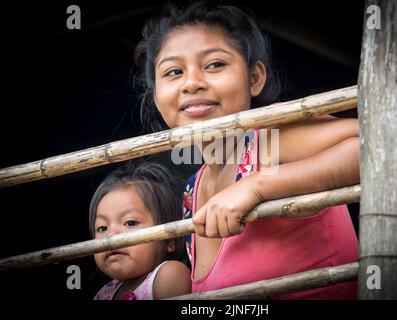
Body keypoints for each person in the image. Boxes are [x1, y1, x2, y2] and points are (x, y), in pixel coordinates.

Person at [134, 2, 359, 299]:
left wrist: (258, 187)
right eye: (174, 72)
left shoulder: (270, 136)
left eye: (215, 64)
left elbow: (379, 146)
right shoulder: (192, 191)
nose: (192, 83)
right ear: (156, 98)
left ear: (254, 79)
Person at [89, 161, 191, 300]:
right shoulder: (104, 293)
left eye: (130, 222)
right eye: (102, 228)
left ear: (170, 240)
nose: (110, 235)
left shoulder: (169, 275)